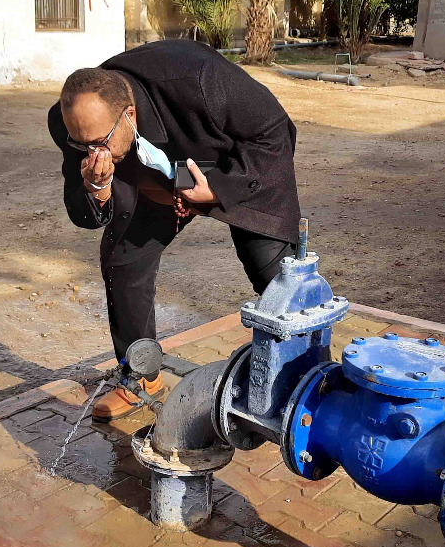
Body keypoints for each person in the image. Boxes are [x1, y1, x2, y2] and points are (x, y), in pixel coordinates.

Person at [48, 39, 302, 421]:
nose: (92, 154)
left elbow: (276, 132)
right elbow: (82, 213)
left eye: (100, 143)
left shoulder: (202, 81)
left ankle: (306, 373)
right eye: (82, 145)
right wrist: (97, 188)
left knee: (275, 277)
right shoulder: (72, 124)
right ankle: (141, 376)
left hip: (230, 170)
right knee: (123, 260)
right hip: (158, 183)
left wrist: (218, 190)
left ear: (130, 114)